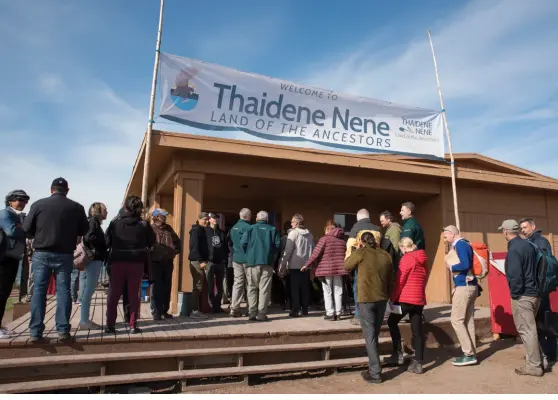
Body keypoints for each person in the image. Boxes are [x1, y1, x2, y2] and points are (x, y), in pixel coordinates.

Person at [23, 178, 89, 342]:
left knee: (39, 291)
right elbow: (85, 230)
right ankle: (63, 331)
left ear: (51, 189)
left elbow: (27, 230)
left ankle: (35, 332)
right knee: (64, 291)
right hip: (65, 254)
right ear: (67, 190)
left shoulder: (38, 205)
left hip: (41, 253)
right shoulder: (76, 207)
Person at [344, 231, 393, 384]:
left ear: (361, 241)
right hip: (382, 298)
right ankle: (374, 368)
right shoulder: (385, 255)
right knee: (374, 334)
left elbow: (347, 265)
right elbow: (391, 276)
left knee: (370, 336)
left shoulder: (362, 252)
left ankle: (375, 372)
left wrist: (356, 249)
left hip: (366, 298)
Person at [105, 195, 155, 334]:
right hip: (136, 262)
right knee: (134, 295)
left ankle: (110, 325)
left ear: (125, 207)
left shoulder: (115, 222)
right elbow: (152, 241)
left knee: (113, 294)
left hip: (117, 261)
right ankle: (133, 325)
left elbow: (107, 241)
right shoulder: (143, 224)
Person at [499, 219, 543, 376]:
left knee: (527, 330)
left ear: (505, 231)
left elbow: (515, 275)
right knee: (531, 329)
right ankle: (539, 360)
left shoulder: (514, 249)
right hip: (535, 292)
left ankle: (534, 366)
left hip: (523, 295)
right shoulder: (529, 245)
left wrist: (515, 294)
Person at [387, 237, 428, 374]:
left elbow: (400, 281)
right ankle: (418, 362)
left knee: (392, 322)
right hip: (419, 300)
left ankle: (397, 353)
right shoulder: (422, 259)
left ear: (404, 248)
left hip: (405, 299)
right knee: (417, 330)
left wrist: (393, 298)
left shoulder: (406, 259)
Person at [520, 217, 556, 372]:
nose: (523, 230)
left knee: (542, 323)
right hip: (537, 289)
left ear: (533, 227)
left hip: (540, 290)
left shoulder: (540, 242)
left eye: (525, 227)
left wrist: (539, 287)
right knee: (538, 322)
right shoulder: (532, 242)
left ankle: (548, 354)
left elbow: (543, 266)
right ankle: (542, 353)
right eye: (521, 228)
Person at [443, 225, 479, 367]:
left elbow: (465, 264)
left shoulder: (461, 245)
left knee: (456, 320)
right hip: (468, 286)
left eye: (446, 235)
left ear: (452, 234)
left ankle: (468, 354)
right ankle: (471, 353)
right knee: (468, 320)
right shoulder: (465, 244)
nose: (445, 239)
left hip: (465, 288)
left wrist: (451, 267)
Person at [302, 220, 347, 321]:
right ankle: (338, 312)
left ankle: (330, 313)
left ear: (327, 230)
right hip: (340, 269)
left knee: (327, 292)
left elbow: (315, 254)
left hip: (326, 269)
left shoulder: (324, 239)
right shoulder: (342, 241)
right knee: (338, 291)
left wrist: (306, 265)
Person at [240, 211, 280, 321]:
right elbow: (277, 246)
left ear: (256, 219)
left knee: (251, 287)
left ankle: (252, 313)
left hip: (252, 262)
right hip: (267, 262)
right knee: (264, 289)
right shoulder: (272, 229)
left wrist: (249, 254)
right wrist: (271, 256)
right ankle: (262, 314)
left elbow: (243, 244)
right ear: (267, 219)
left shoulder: (250, 229)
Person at [0, 190, 30, 339]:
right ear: (10, 201)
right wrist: (23, 227)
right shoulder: (5, 214)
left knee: (4, 292)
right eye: (19, 200)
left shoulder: (17, 217)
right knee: (1, 292)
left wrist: (21, 226)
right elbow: (11, 231)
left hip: (13, 258)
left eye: (25, 200)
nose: (22, 203)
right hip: (4, 258)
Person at [345, 209, 381, 325]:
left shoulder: (355, 228)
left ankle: (358, 316)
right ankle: (375, 315)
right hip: (376, 263)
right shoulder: (377, 229)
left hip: (361, 264)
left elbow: (350, 246)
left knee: (358, 289)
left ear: (358, 217)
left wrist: (348, 263)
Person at [78, 202, 109, 330]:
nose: (106, 212)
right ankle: (84, 321)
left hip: (93, 260)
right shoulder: (92, 223)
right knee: (89, 291)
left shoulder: (92, 222)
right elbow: (89, 237)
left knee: (86, 290)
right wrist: (102, 245)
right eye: (105, 210)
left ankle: (84, 319)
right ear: (98, 211)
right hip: (94, 260)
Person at [280, 214, 314, 318]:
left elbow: (288, 251)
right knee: (305, 288)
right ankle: (304, 309)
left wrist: (282, 264)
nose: (291, 224)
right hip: (306, 265)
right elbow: (312, 249)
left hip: (294, 265)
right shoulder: (310, 235)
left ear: (297, 223)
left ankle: (295, 310)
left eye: (292, 222)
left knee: (295, 289)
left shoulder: (293, 234)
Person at [150, 208, 180, 320]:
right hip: (155, 262)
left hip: (167, 262)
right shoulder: (151, 229)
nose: (165, 217)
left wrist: (174, 251)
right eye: (163, 215)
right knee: (156, 287)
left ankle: (164, 311)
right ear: (157, 216)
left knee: (167, 287)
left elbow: (177, 242)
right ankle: (156, 312)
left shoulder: (168, 228)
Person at [229, 208, 251, 317]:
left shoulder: (233, 228)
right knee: (250, 284)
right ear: (248, 216)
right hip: (248, 259)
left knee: (237, 283)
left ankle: (234, 308)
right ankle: (250, 308)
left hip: (236, 258)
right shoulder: (249, 228)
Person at [188, 212, 210, 319]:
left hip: (200, 261)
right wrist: (201, 260)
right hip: (197, 261)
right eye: (204, 219)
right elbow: (194, 247)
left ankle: (198, 309)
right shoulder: (196, 231)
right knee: (197, 287)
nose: (206, 221)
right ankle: (194, 311)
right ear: (199, 219)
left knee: (200, 287)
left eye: (207, 219)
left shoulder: (202, 230)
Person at [205, 213, 228, 314]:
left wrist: (224, 260)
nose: (215, 220)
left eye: (216, 218)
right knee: (209, 286)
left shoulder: (221, 232)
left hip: (220, 262)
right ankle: (209, 306)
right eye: (213, 218)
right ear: (209, 219)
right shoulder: (205, 231)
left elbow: (226, 248)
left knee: (220, 287)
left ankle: (217, 307)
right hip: (209, 262)